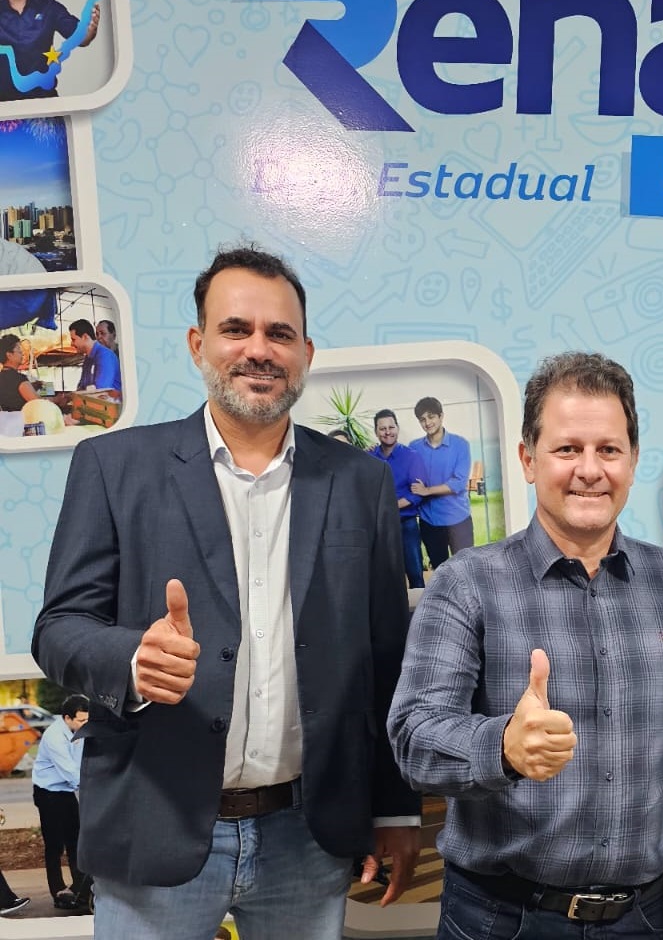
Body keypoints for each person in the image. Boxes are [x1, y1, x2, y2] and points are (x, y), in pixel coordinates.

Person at [32, 246, 421, 940]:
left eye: (280, 334)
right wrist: (132, 660)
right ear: (197, 344)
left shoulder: (359, 481)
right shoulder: (114, 467)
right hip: (157, 822)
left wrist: (394, 810)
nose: (259, 350)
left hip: (308, 835)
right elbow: (59, 627)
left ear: (305, 352)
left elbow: (387, 655)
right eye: (236, 329)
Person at [389, 351, 663, 940]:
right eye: (567, 449)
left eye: (609, 449)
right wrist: (502, 745)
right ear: (529, 459)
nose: (589, 470)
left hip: (647, 918)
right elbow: (413, 737)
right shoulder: (466, 583)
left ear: (632, 460)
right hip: (501, 918)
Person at [0, 0, 100, 100]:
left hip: (45, 103)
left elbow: (81, 38)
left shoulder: (48, 6)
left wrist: (90, 31)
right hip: (5, 108)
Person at [31, 694, 90, 910]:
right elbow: (71, 772)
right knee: (54, 845)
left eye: (87, 720)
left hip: (65, 791)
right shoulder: (54, 736)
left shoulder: (80, 732)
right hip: (48, 793)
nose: (85, 724)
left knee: (76, 841)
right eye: (81, 720)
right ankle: (57, 891)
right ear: (67, 718)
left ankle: (80, 890)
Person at [407, 396, 473, 568]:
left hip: (458, 519)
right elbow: (400, 467)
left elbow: (459, 482)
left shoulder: (461, 445)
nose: (427, 422)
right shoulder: (414, 447)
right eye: (422, 419)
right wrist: (373, 451)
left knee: (466, 569)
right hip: (430, 521)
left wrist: (427, 490)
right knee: (440, 572)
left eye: (431, 417)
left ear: (441, 416)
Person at [368, 408, 425, 588]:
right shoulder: (369, 457)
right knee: (387, 576)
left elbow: (417, 493)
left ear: (397, 428)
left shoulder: (411, 456)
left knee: (415, 572)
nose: (387, 432)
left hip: (406, 524)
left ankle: (420, 606)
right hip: (380, 526)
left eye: (391, 427)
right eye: (382, 428)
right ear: (376, 432)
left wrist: (390, 506)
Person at [68, 319, 120, 393]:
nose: (71, 344)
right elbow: (82, 386)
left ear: (85, 337)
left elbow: (101, 391)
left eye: (73, 339)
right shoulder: (88, 358)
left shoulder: (104, 355)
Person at [0, 333, 36, 411]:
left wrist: (33, 385)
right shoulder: (19, 379)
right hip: (21, 417)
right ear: (9, 355)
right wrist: (56, 399)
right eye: (19, 350)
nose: (22, 353)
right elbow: (38, 403)